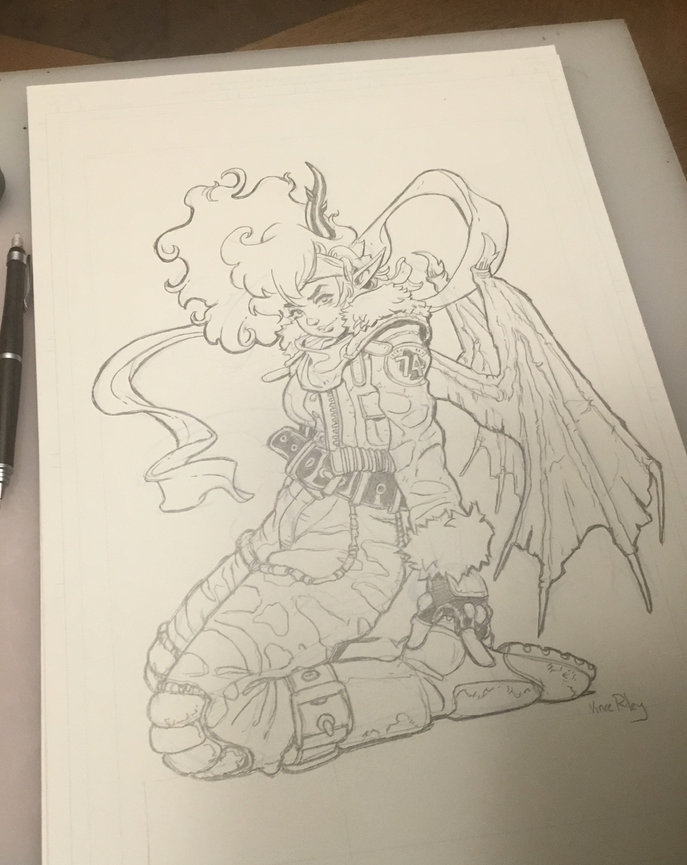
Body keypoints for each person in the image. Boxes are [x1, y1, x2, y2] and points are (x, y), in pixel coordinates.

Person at [94, 166, 661, 781]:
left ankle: (441, 682)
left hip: (351, 550)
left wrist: (455, 587)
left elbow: (422, 460)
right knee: (165, 661)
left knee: (187, 716)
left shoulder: (389, 348)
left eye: (317, 293)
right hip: (290, 527)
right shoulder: (326, 337)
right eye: (291, 304)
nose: (307, 315)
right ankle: (425, 661)